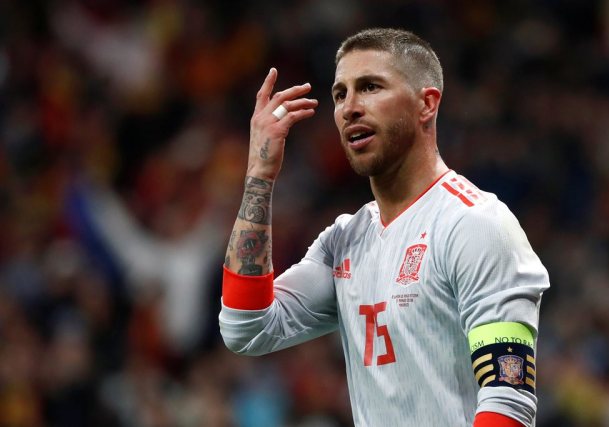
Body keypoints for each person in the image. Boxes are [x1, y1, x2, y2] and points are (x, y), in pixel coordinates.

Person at [218, 28, 549, 427]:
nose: (349, 108)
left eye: (370, 87)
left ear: (426, 104)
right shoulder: (344, 242)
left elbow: (507, 400)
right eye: (340, 94)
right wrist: (259, 175)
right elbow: (246, 328)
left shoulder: (475, 225)